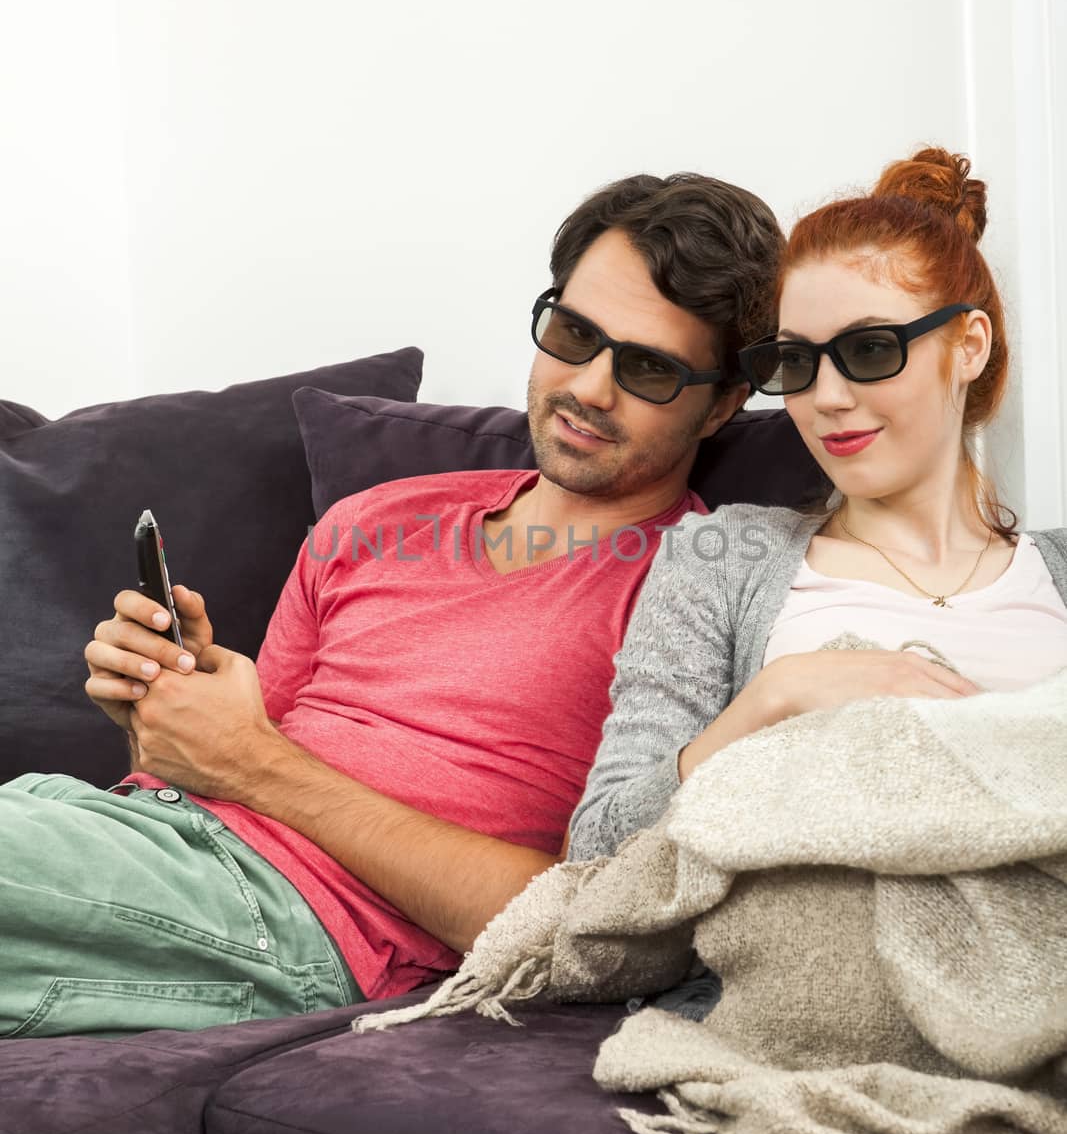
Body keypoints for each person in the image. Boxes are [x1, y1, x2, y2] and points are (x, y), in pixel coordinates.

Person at [0, 171, 779, 1037]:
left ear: (723, 406)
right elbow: (225, 761)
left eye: (647, 369)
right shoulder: (377, 518)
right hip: (124, 834)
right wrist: (169, 702)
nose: (589, 387)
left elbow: (592, 918)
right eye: (572, 334)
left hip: (298, 922)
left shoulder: (702, 583)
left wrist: (247, 759)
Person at [567, 147, 1067, 862]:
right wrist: (774, 696)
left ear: (967, 346)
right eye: (796, 362)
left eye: (868, 350)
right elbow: (595, 849)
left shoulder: (1056, 571)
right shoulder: (724, 557)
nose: (826, 398)